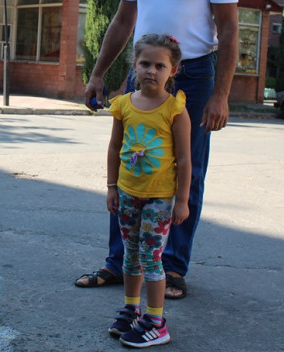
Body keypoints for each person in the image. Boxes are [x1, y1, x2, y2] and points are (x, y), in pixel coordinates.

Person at [75, 0, 239, 299]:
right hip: (140, 73)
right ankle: (120, 262)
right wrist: (98, 74)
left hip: (195, 76)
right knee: (133, 164)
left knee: (188, 168)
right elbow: (123, 20)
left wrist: (221, 94)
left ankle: (173, 268)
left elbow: (230, 30)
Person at [105, 34, 190, 348]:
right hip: (128, 194)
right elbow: (115, 148)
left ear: (173, 70)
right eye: (145, 63)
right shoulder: (124, 104)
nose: (151, 70)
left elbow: (184, 158)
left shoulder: (175, 110)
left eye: (159, 65)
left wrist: (182, 201)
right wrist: (112, 187)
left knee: (152, 259)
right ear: (134, 65)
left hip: (160, 198)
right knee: (130, 256)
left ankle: (156, 321)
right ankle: (132, 309)